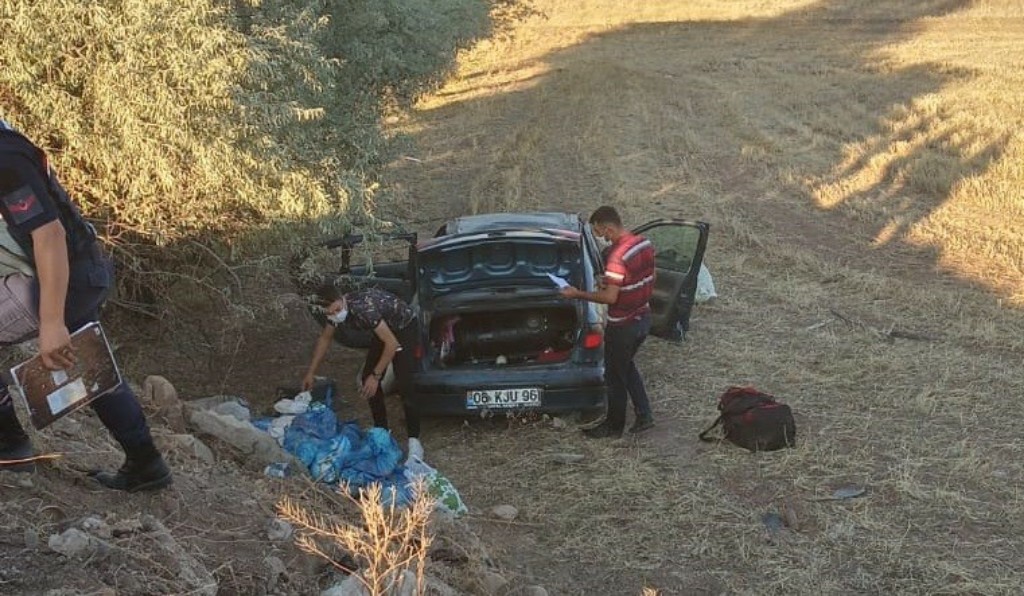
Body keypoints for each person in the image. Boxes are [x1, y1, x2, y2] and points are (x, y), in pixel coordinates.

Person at [0, 119, 171, 490]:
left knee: (75, 353)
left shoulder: (5, 157)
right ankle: (147, 464)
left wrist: (51, 322)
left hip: (66, 275)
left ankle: (11, 449)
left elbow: (49, 235)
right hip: (81, 269)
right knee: (88, 367)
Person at [560, 206, 656, 438]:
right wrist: (615, 282)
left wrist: (577, 294)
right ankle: (645, 415)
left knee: (614, 376)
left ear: (608, 227)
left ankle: (614, 426)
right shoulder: (644, 244)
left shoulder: (617, 256)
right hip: (643, 318)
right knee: (626, 365)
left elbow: (610, 297)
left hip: (623, 325)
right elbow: (650, 275)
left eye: (601, 232)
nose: (602, 238)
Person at [302, 283, 423, 460]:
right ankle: (381, 432)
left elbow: (392, 344)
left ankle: (414, 440)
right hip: (383, 330)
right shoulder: (334, 314)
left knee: (404, 382)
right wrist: (310, 372)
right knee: (366, 379)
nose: (335, 315)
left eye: (336, 310)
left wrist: (377, 376)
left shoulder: (364, 310)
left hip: (404, 327)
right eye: (329, 313)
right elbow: (325, 339)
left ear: (341, 299)